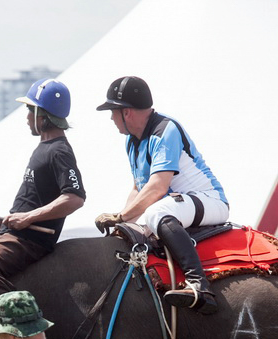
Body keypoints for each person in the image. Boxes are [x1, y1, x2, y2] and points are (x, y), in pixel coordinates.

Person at [95, 76, 229, 314]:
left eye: (112, 111)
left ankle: (199, 284)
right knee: (142, 221)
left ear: (126, 113)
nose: (111, 118)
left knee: (156, 211)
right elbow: (139, 188)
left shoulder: (165, 130)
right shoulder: (131, 141)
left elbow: (157, 187)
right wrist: (124, 223)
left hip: (209, 201)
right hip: (179, 205)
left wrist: (120, 215)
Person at [0, 78, 86, 300]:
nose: (26, 117)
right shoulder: (45, 147)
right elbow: (33, 201)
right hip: (18, 235)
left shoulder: (59, 151)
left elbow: (75, 197)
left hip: (28, 242)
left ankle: (28, 326)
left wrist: (27, 219)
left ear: (42, 115)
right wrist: (5, 221)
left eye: (29, 110)